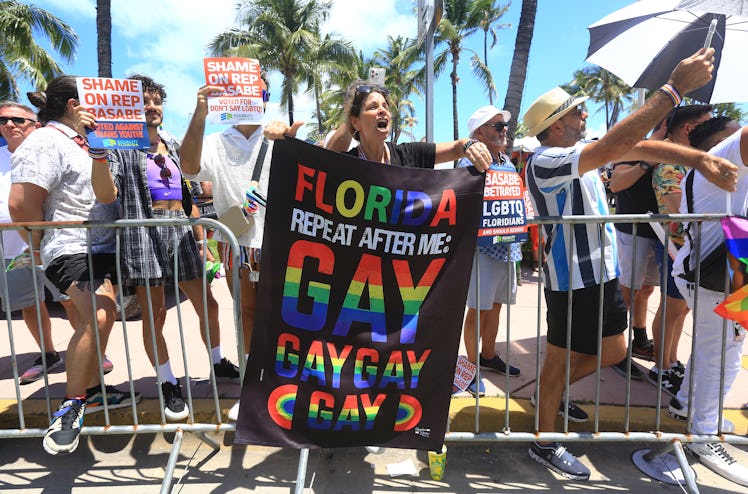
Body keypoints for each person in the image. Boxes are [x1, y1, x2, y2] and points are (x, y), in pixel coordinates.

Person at [522, 47, 738, 480]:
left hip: (603, 274)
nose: (584, 117)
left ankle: (551, 395)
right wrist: (674, 89)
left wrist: (699, 159)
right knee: (557, 362)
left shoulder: (579, 151)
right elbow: (619, 145)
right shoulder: (545, 161)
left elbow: (639, 146)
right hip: (572, 280)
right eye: (577, 112)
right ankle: (543, 440)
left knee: (615, 350)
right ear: (556, 124)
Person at [90, 75, 239, 422]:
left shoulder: (170, 142)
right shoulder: (117, 146)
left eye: (156, 101)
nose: (152, 107)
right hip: (142, 233)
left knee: (208, 303)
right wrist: (97, 150)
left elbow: (189, 172)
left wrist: (200, 113)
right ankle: (167, 382)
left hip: (180, 232)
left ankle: (217, 362)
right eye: (144, 101)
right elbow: (106, 195)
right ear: (127, 108)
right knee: (154, 314)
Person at [9, 75, 140, 455]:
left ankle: (94, 390)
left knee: (100, 319)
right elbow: (20, 205)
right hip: (69, 245)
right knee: (99, 317)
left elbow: (105, 192)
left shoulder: (86, 143)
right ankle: (72, 405)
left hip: (102, 246)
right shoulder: (45, 140)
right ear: (72, 105)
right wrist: (38, 243)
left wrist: (100, 147)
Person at [180, 73, 274, 421]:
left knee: (283, 321)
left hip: (282, 245)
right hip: (238, 244)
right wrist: (200, 112)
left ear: (265, 96)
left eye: (258, 90)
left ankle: (282, 390)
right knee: (246, 318)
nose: (252, 97)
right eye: (244, 90)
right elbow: (188, 167)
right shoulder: (216, 142)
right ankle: (252, 391)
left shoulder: (279, 137)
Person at [668, 118, 748, 487]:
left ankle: (687, 404)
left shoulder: (702, 171)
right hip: (721, 276)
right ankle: (704, 434)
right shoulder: (727, 151)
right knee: (724, 354)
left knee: (710, 349)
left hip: (709, 271)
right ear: (720, 142)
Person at [647, 105, 712, 397]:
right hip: (677, 249)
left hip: (691, 248)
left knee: (681, 310)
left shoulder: (686, 163)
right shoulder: (669, 165)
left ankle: (671, 361)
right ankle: (661, 366)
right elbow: (679, 211)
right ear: (689, 128)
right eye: (706, 124)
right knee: (672, 309)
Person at [457, 105, 521, 397]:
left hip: (507, 248)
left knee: (495, 306)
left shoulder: (507, 160)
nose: (503, 129)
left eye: (503, 125)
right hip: (481, 249)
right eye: (496, 125)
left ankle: (489, 355)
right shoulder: (468, 163)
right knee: (477, 309)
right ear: (479, 132)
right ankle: (470, 368)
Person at [607, 124, 665, 379]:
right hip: (633, 230)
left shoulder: (676, 151)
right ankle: (613, 350)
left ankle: (639, 339)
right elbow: (616, 184)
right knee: (627, 293)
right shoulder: (632, 148)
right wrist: (646, 163)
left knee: (646, 291)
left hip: (659, 232)